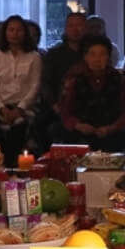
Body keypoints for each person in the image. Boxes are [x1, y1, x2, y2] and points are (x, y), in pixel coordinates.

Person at [0, 14, 42, 163]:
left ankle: (15, 166)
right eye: (11, 30)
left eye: (19, 30)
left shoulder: (34, 57)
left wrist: (19, 109)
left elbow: (35, 86)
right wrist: (3, 108)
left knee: (20, 126)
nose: (15, 34)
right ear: (5, 33)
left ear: (25, 33)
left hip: (23, 106)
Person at [58, 34, 125, 154]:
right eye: (92, 54)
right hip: (80, 136)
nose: (97, 59)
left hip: (111, 135)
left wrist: (111, 128)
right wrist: (79, 125)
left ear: (108, 57)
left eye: (102, 54)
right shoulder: (74, 77)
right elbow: (65, 113)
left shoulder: (118, 79)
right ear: (85, 57)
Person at [36, 11, 86, 150]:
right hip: (59, 104)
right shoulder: (55, 53)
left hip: (87, 105)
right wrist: (55, 105)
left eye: (79, 25)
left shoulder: (91, 52)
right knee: (43, 124)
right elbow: (46, 83)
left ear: (86, 28)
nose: (75, 30)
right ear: (65, 28)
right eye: (71, 26)